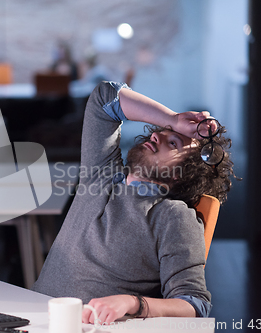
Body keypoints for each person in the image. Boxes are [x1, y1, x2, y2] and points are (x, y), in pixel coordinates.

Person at [31, 81, 236, 324]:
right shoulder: (101, 173)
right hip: (30, 316)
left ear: (181, 173)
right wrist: (174, 119)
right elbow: (104, 97)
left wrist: (131, 302)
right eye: (161, 130)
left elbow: (194, 303)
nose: (156, 134)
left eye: (173, 143)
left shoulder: (172, 215)